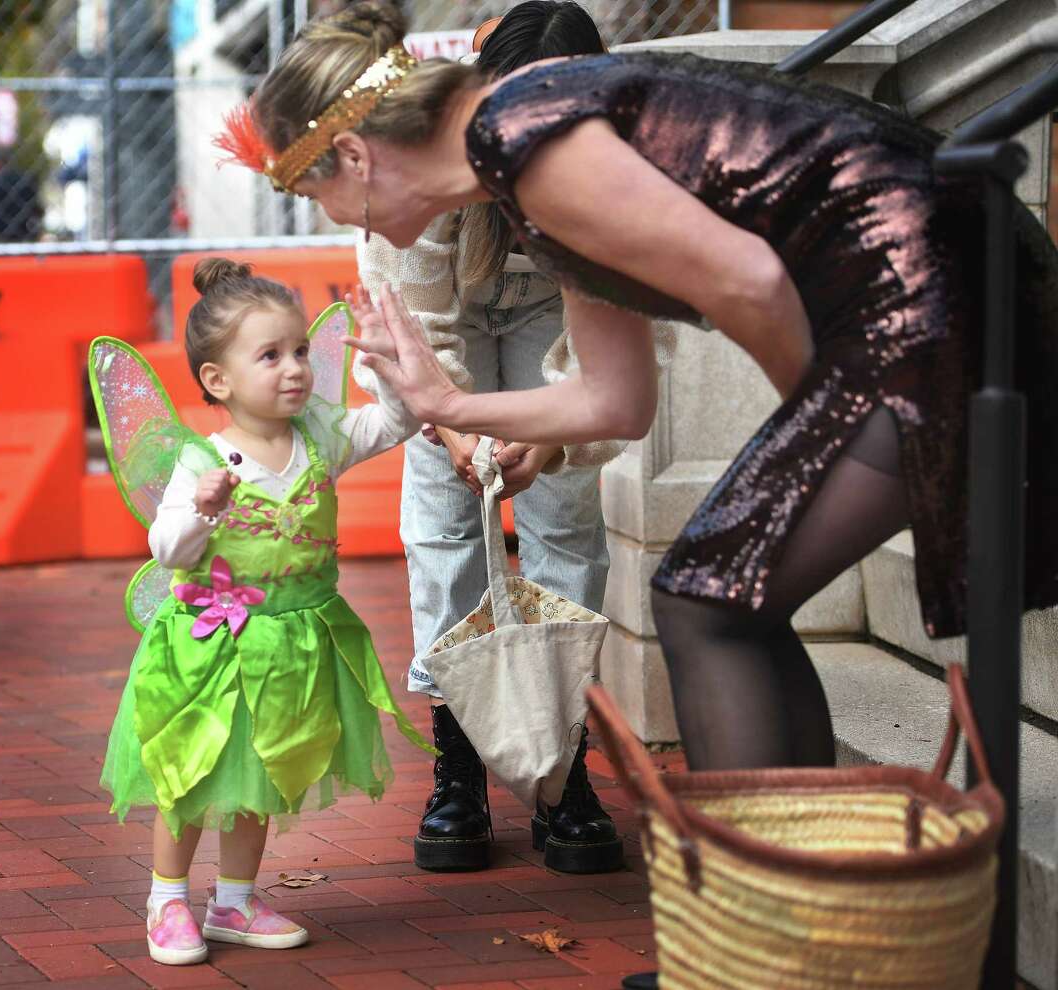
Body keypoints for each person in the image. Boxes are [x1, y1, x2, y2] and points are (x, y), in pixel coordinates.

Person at [220, 0, 1058, 786]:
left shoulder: (524, 141)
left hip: (931, 289)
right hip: (914, 290)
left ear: (358, 157)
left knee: (705, 598)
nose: (333, 220)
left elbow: (754, 281)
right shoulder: (518, 167)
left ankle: (767, 915)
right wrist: (447, 407)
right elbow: (615, 404)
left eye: (312, 193)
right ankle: (795, 890)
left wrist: (810, 427)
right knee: (716, 598)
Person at [356, 1, 629, 875]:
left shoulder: (618, 170)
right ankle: (459, 763)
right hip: (449, 302)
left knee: (565, 519)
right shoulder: (423, 150)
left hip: (559, 302)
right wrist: (449, 425)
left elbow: (619, 357)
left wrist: (550, 443)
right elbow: (409, 320)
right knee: (442, 517)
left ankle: (561, 770)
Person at [96, 260, 433, 966]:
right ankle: (167, 900)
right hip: (211, 646)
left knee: (259, 773)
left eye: (302, 351)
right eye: (271, 355)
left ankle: (235, 899)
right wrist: (203, 509)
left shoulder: (322, 439)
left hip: (292, 646)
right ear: (218, 381)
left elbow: (400, 421)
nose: (296, 369)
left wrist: (387, 360)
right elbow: (168, 548)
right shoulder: (203, 461)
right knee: (189, 775)